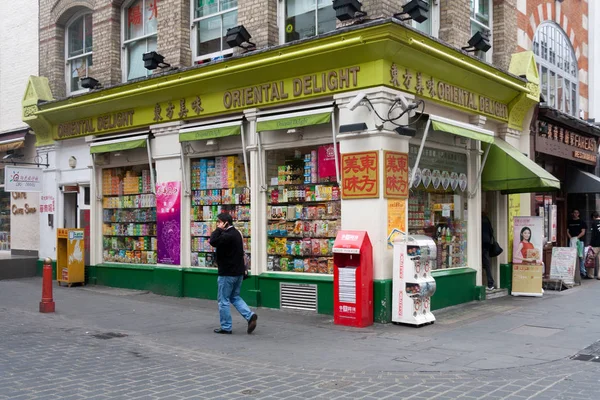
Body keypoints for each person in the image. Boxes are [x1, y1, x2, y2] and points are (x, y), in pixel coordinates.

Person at [209, 212, 258, 334]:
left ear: (226, 222)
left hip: (227, 273)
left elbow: (213, 241)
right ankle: (250, 315)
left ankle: (226, 327)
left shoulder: (227, 235)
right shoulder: (237, 233)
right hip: (238, 272)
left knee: (223, 300)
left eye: (219, 222)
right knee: (234, 297)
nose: (218, 224)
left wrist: (218, 229)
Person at [567, 209, 588, 279]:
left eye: (577, 213)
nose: (575, 214)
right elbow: (567, 231)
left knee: (580, 256)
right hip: (572, 240)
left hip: (580, 241)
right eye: (574, 213)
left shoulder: (582, 222)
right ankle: (572, 271)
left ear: (579, 214)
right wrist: (571, 238)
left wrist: (577, 238)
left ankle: (583, 271)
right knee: (571, 256)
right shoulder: (569, 222)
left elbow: (583, 232)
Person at [481, 212, 495, 291]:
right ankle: (490, 283)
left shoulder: (480, 220)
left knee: (486, 263)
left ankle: (490, 283)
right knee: (486, 263)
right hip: (487, 243)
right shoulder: (487, 220)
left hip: (482, 243)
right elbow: (491, 231)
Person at [589, 211, 600, 279]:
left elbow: (593, 235)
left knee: (590, 258)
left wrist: (590, 244)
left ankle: (591, 275)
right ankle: (599, 275)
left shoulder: (594, 223)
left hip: (595, 244)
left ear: (593, 217)